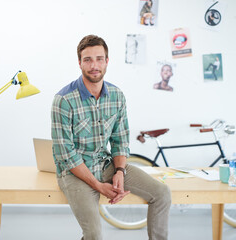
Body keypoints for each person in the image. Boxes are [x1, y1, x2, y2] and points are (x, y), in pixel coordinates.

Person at [51, 35, 171, 240]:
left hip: (105, 164)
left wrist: (120, 172)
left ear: (107, 61)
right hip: (74, 172)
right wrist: (98, 186)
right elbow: (66, 154)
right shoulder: (63, 100)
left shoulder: (117, 96)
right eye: (87, 59)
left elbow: (120, 140)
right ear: (79, 63)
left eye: (99, 58)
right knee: (94, 234)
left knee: (162, 194)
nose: (94, 65)